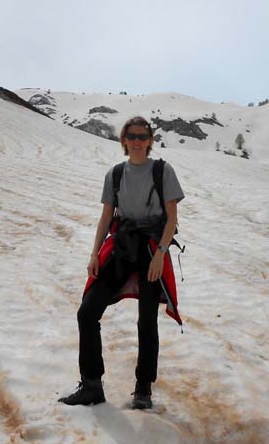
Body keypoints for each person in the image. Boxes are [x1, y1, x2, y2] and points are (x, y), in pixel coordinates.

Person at [58, 116, 185, 409]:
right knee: (87, 312)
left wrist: (161, 254)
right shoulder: (115, 174)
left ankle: (143, 388)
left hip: (151, 248)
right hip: (122, 247)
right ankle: (91, 384)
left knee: (146, 321)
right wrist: (94, 254)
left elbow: (172, 217)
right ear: (124, 141)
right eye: (132, 136)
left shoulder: (162, 171)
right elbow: (106, 216)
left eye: (143, 136)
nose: (138, 141)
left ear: (150, 140)